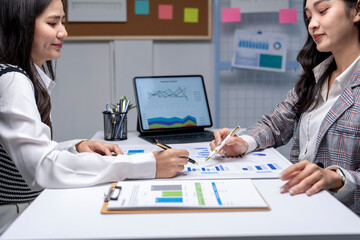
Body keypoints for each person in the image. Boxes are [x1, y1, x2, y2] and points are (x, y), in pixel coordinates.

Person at [0, 0, 189, 231]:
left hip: (24, 205)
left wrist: (75, 147)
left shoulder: (23, 76)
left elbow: (33, 152)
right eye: (52, 23)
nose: (63, 32)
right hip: (13, 214)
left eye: (63, 21)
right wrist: (145, 165)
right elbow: (41, 168)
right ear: (22, 25)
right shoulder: (12, 80)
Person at [211, 0, 360, 215]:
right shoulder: (315, 77)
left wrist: (336, 178)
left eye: (323, 11)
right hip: (304, 207)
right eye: (308, 17)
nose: (312, 25)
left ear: (356, 10)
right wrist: (242, 142)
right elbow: (275, 124)